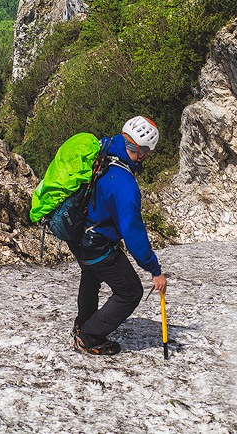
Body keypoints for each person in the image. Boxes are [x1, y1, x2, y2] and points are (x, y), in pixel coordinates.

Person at [72, 115, 167, 356]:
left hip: (78, 235)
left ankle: (83, 324)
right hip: (96, 243)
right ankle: (89, 337)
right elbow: (132, 231)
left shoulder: (103, 149)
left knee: (91, 275)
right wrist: (154, 270)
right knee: (130, 291)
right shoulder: (123, 183)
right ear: (142, 151)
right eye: (148, 152)